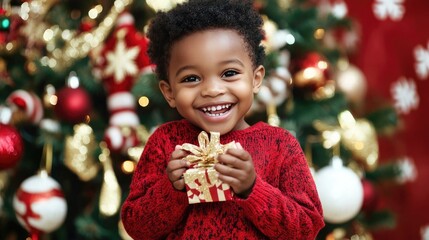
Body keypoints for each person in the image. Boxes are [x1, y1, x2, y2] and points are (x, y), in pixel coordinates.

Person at [121, 0, 324, 239]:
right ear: (169, 92)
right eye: (191, 78)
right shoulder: (165, 143)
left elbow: (306, 228)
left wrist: (253, 188)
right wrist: (170, 188)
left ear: (256, 79)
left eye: (229, 73)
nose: (212, 90)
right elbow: (136, 228)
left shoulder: (280, 146)